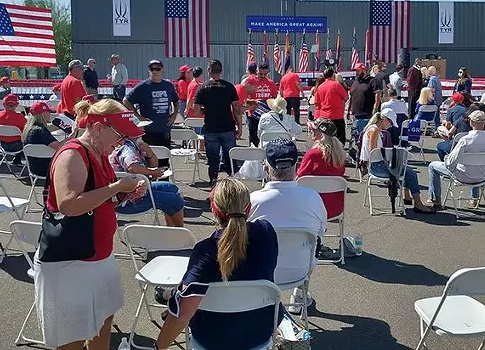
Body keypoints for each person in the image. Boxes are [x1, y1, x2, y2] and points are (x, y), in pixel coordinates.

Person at [34, 98, 147, 350]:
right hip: (71, 263)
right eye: (119, 136)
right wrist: (117, 186)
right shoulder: (73, 153)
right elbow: (69, 205)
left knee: (103, 321)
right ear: (98, 128)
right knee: (71, 338)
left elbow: (97, 199)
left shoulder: (99, 152)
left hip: (97, 257)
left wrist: (122, 195)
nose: (122, 143)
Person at [155, 178, 281, 350]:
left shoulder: (205, 251)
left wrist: (158, 347)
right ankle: (170, 294)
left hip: (212, 339)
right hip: (259, 334)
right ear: (249, 208)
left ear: (213, 210)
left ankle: (170, 294)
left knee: (185, 293)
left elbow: (182, 314)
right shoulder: (266, 233)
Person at [249, 139, 327, 314]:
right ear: (297, 166)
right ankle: (300, 294)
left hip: (258, 273)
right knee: (313, 244)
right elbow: (321, 233)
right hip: (299, 271)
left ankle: (255, 305)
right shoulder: (313, 198)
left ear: (266, 168)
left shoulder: (252, 200)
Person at [360, 110, 433, 214]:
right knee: (410, 172)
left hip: (375, 165)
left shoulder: (373, 129)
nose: (390, 126)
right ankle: (417, 203)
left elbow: (374, 152)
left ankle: (407, 196)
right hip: (376, 167)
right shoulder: (375, 130)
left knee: (406, 170)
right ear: (385, 120)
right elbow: (373, 152)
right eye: (390, 123)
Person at [427, 110, 485, 208]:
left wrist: (446, 158)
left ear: (471, 122)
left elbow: (451, 162)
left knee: (432, 166)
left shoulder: (465, 140)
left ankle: (435, 199)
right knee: (476, 165)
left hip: (462, 176)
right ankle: (474, 198)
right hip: (482, 176)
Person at [110, 135, 185, 227]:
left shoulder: (134, 145)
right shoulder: (126, 148)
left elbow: (154, 165)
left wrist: (149, 151)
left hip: (138, 189)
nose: (143, 130)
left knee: (171, 187)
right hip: (129, 199)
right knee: (175, 201)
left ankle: (171, 229)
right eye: (140, 127)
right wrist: (152, 172)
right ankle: (180, 234)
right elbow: (133, 168)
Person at [193, 59, 243, 185]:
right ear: (221, 71)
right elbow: (236, 109)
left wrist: (208, 110)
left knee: (213, 159)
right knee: (230, 158)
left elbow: (196, 110)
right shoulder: (229, 86)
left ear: (209, 71)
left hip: (211, 128)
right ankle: (233, 184)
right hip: (227, 127)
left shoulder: (202, 88)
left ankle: (213, 183)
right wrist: (240, 127)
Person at [124, 60, 179, 150]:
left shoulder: (168, 85)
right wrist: (138, 116)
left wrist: (174, 114)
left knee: (164, 158)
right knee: (150, 159)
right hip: (148, 130)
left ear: (162, 70)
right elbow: (126, 101)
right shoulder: (143, 86)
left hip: (164, 129)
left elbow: (176, 100)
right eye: (151, 69)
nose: (154, 71)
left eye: (157, 69)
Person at [297, 118, 346, 220]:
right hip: (334, 208)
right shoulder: (340, 154)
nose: (311, 130)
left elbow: (300, 178)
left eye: (313, 129)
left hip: (310, 208)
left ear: (321, 133)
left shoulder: (313, 154)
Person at [23, 102, 65, 179]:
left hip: (33, 168)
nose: (50, 114)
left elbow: (47, 129)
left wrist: (60, 126)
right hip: (48, 169)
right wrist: (72, 136)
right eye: (48, 112)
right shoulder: (42, 131)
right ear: (43, 114)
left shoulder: (28, 129)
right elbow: (60, 147)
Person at [244, 63, 278, 147]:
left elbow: (275, 98)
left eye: (265, 74)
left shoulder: (271, 83)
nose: (262, 76)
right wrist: (254, 101)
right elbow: (243, 97)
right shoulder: (249, 81)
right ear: (256, 71)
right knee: (253, 135)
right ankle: (254, 154)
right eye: (260, 74)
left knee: (265, 135)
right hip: (252, 113)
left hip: (266, 114)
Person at [314, 68, 348, 145]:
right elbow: (346, 97)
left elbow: (317, 103)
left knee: (326, 140)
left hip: (324, 117)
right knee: (340, 140)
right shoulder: (336, 84)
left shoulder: (320, 87)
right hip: (337, 116)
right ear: (333, 75)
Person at [0, 93, 27, 165]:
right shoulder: (20, 117)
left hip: (2, 145)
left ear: (4, 104)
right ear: (16, 105)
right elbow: (26, 131)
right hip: (18, 146)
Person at [347, 62, 375, 135]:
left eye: (358, 70)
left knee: (364, 135)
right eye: (356, 71)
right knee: (356, 136)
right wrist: (348, 110)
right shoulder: (356, 81)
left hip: (366, 113)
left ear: (364, 70)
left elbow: (377, 96)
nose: (356, 72)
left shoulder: (372, 81)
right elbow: (351, 96)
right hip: (355, 113)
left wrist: (375, 110)